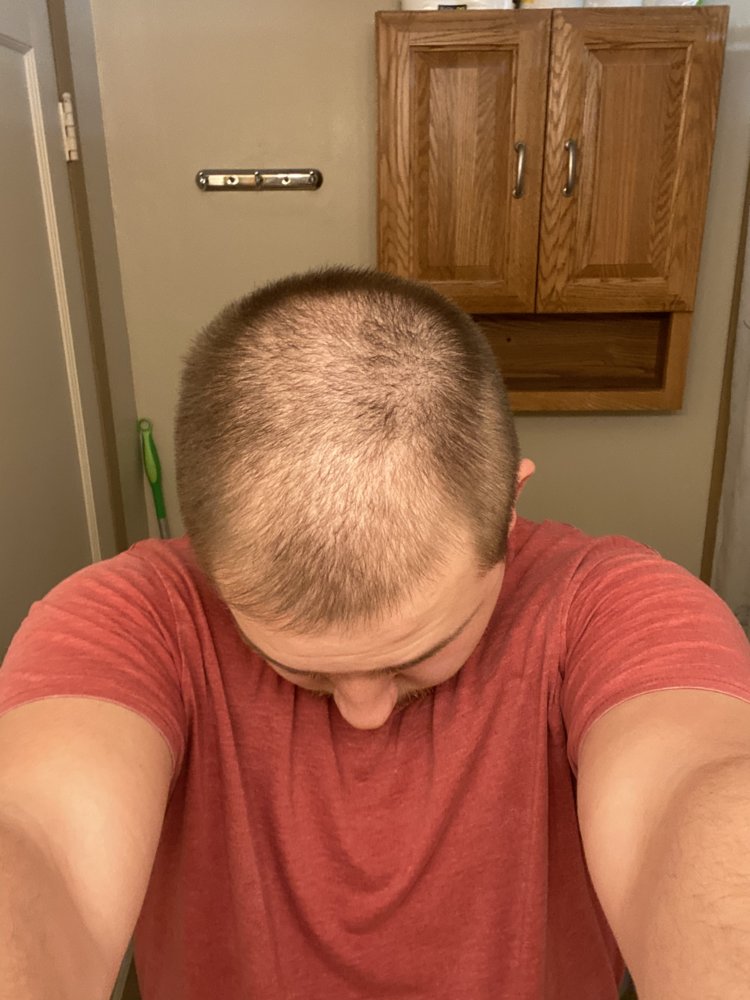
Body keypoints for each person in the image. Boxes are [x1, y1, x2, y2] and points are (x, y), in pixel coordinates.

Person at [1, 267, 749, 1000]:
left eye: (414, 658)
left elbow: (700, 797)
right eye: (303, 669)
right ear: (208, 555)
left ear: (508, 509)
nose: (364, 713)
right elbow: (41, 841)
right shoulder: (128, 618)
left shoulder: (614, 605)